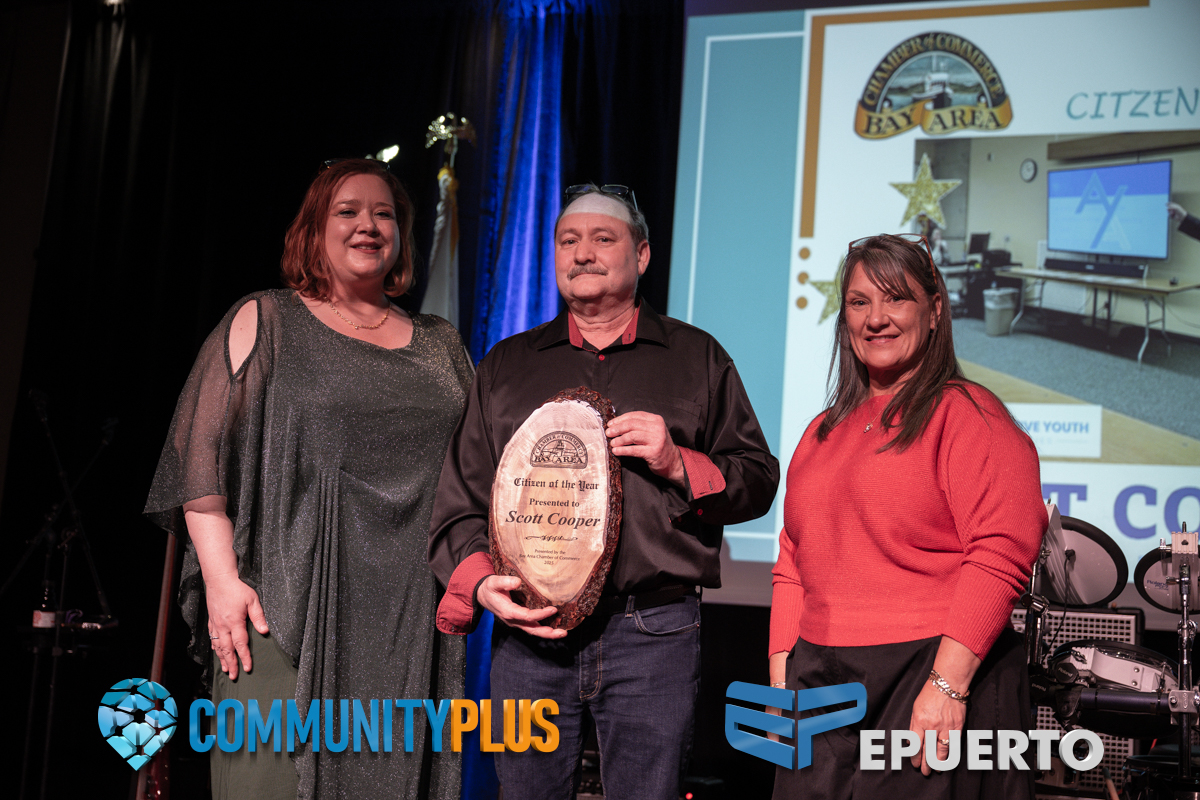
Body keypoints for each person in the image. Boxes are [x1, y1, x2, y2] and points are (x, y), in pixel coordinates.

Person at [428, 184, 779, 800]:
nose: (583, 253)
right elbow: (460, 502)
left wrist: (678, 462)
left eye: (602, 238)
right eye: (568, 240)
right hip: (532, 636)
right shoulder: (507, 365)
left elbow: (757, 479)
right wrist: (482, 585)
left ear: (641, 255)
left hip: (654, 635)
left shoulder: (696, 357)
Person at [145, 159, 472, 800]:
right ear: (314, 229)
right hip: (281, 608)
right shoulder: (266, 319)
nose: (368, 225)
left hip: (408, 625)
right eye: (347, 211)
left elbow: (477, 469)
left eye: (384, 214)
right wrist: (221, 583)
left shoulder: (442, 345)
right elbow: (198, 460)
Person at [769, 233, 1045, 800]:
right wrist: (781, 678)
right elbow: (793, 559)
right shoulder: (820, 434)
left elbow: (1002, 549)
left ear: (935, 310)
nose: (876, 318)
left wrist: (947, 685)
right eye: (859, 302)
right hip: (819, 680)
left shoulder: (969, 416)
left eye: (896, 298)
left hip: (928, 670)